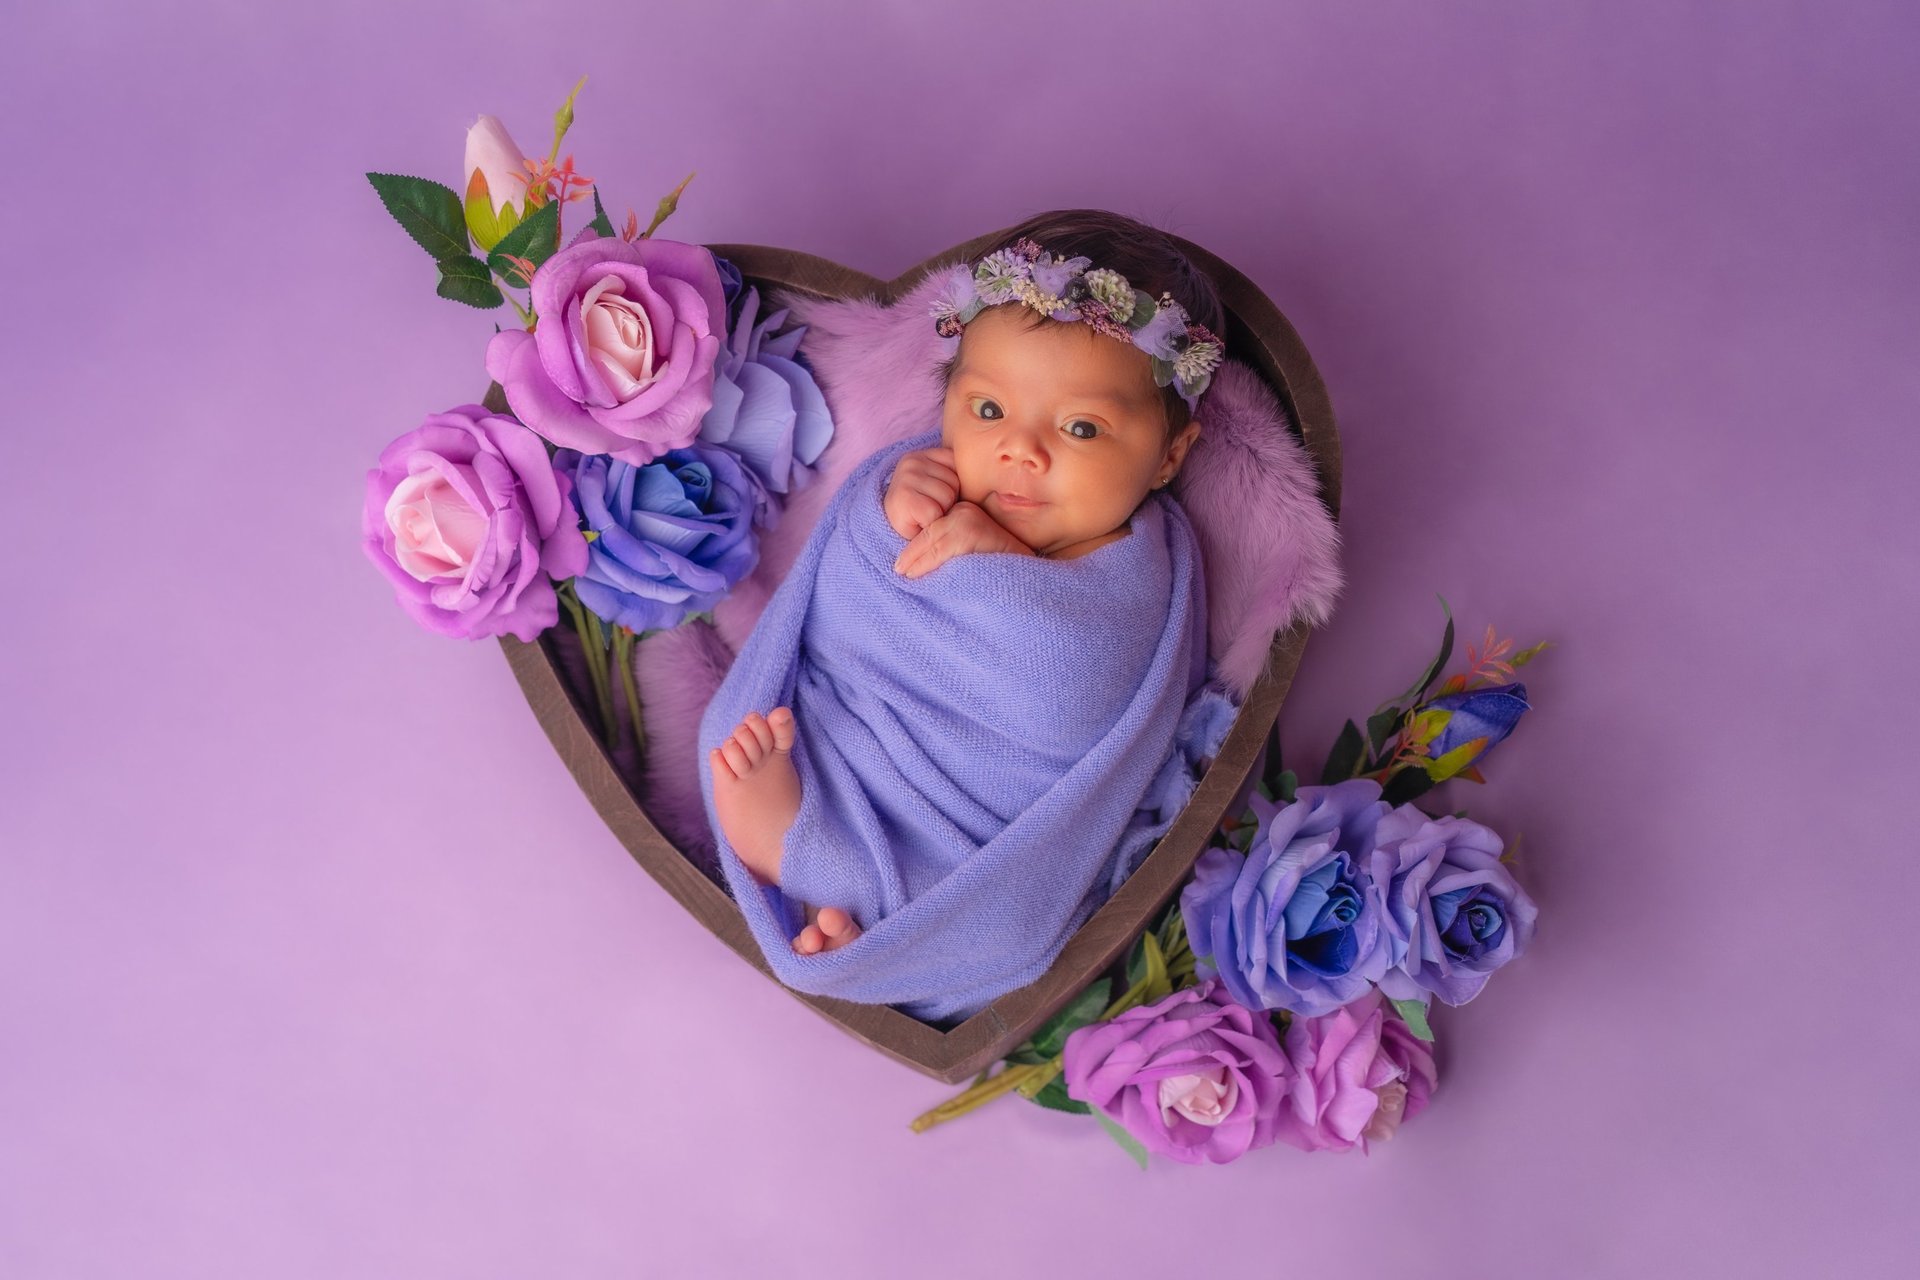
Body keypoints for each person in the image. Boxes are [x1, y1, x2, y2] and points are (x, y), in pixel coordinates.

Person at [697, 211, 1232, 1015]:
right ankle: (835, 886)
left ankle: (830, 883)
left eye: (1081, 427)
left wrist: (1002, 572)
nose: (1019, 451)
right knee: (738, 732)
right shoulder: (928, 478)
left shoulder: (1139, 570)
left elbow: (1074, 699)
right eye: (987, 412)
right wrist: (883, 511)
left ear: (1169, 455)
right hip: (856, 727)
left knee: (982, 906)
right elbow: (842, 604)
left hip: (975, 812)